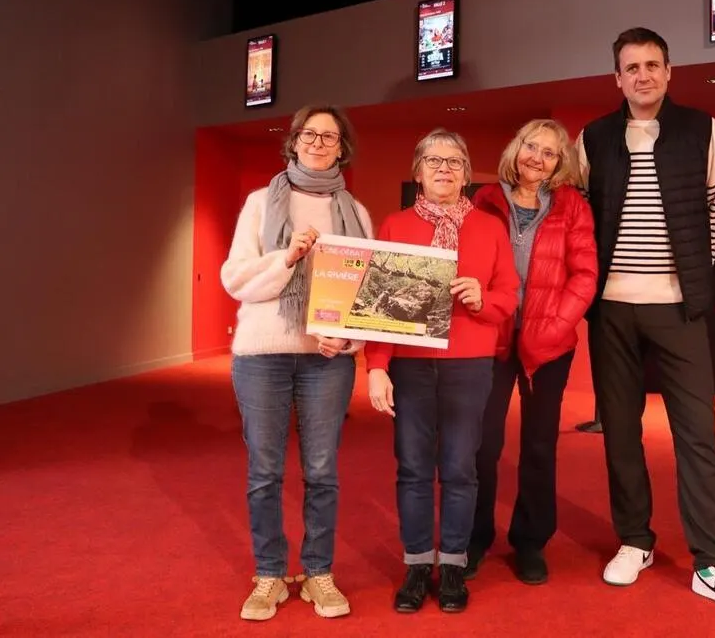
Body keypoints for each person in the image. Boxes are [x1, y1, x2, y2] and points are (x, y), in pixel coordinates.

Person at [576, 27, 715, 620]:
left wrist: (692, 269)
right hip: (610, 308)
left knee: (698, 435)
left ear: (669, 71)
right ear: (617, 78)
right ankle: (634, 540)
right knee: (621, 432)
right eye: (631, 67)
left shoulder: (703, 129)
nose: (642, 75)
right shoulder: (594, 137)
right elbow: (581, 214)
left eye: (652, 65)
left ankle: (714, 563)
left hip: (679, 306)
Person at [220, 105, 373, 622]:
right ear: (294, 141)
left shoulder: (355, 211)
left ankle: (317, 573)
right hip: (262, 355)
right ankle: (268, 575)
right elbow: (235, 278)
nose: (319, 142)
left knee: (322, 471)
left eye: (330, 136)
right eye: (310, 133)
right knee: (264, 471)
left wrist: (348, 338)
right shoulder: (262, 202)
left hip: (326, 362)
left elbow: (369, 296)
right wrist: (286, 258)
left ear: (342, 147)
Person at [364, 128, 519, 614]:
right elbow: (378, 306)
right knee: (412, 468)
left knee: (459, 468)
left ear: (467, 174)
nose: (445, 169)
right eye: (434, 161)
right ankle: (416, 565)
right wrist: (376, 366)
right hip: (410, 366)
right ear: (418, 173)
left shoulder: (491, 227)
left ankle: (452, 564)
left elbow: (509, 294)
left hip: (469, 364)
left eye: (454, 162)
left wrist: (485, 299)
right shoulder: (395, 225)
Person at [467, 118, 597, 584]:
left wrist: (554, 326)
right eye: (530, 147)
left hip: (550, 345)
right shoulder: (482, 200)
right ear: (515, 148)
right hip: (490, 338)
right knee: (481, 446)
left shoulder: (572, 207)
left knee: (539, 446)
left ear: (559, 163)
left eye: (549, 152)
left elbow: (585, 274)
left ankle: (530, 541)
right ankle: (474, 538)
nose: (536, 159)